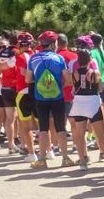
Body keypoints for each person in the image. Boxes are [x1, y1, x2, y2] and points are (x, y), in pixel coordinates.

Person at [27, 30, 73, 169]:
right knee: (60, 127)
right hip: (57, 97)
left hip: (40, 98)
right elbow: (69, 80)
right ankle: (65, 158)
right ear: (53, 43)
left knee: (43, 129)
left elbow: (28, 79)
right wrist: (59, 85)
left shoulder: (33, 59)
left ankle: (42, 159)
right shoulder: (59, 59)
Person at [68, 36, 104, 170]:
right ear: (90, 59)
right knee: (100, 134)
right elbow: (100, 88)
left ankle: (83, 161)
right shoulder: (94, 71)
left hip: (79, 102)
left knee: (79, 133)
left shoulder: (74, 71)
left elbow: (72, 86)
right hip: (92, 102)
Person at [89, 33, 104, 135]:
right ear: (102, 41)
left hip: (97, 83)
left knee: (95, 112)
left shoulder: (91, 53)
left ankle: (94, 135)